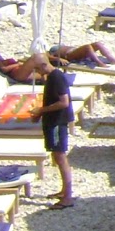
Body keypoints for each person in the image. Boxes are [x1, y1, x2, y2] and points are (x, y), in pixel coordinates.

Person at [38, 64, 74, 207]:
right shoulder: (52, 77)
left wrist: (42, 110)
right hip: (53, 122)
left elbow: (64, 102)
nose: (37, 73)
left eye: (37, 68)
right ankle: (65, 190)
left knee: (60, 156)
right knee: (57, 156)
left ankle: (68, 197)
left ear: (44, 65)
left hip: (58, 123)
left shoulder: (57, 77)